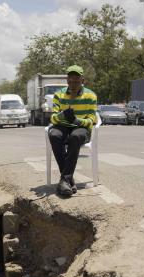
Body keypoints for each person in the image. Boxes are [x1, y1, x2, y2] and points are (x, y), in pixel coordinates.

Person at [48, 65, 98, 197]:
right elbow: (53, 118)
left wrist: (77, 121)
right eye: (70, 80)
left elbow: (92, 120)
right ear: (67, 80)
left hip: (81, 128)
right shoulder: (59, 95)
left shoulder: (90, 96)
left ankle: (64, 180)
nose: (73, 83)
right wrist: (61, 115)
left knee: (75, 137)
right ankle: (68, 179)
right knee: (54, 135)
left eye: (76, 80)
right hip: (63, 125)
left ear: (83, 80)